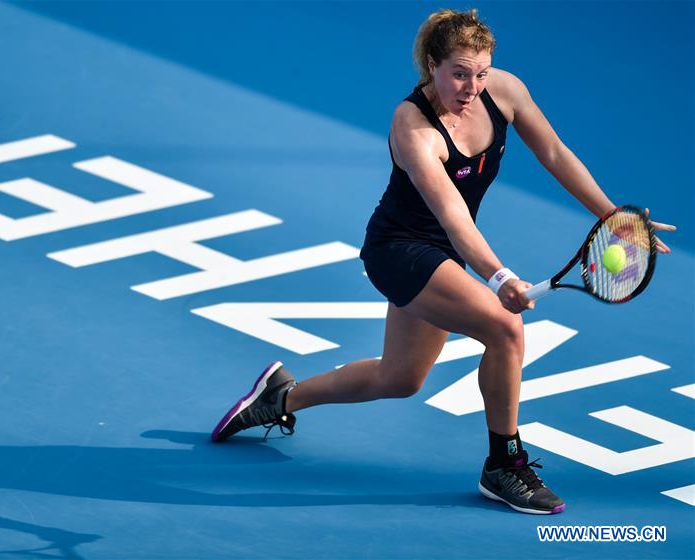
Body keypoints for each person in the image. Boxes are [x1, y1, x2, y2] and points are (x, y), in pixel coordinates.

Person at [210, 8, 676, 515]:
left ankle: (281, 397)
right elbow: (454, 216)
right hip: (399, 249)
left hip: (445, 254)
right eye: (458, 72)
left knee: (399, 379)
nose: (472, 86)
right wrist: (499, 279)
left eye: (480, 72)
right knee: (505, 329)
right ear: (431, 65)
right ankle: (504, 465)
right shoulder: (413, 125)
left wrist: (614, 218)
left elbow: (556, 154)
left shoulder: (504, 90)